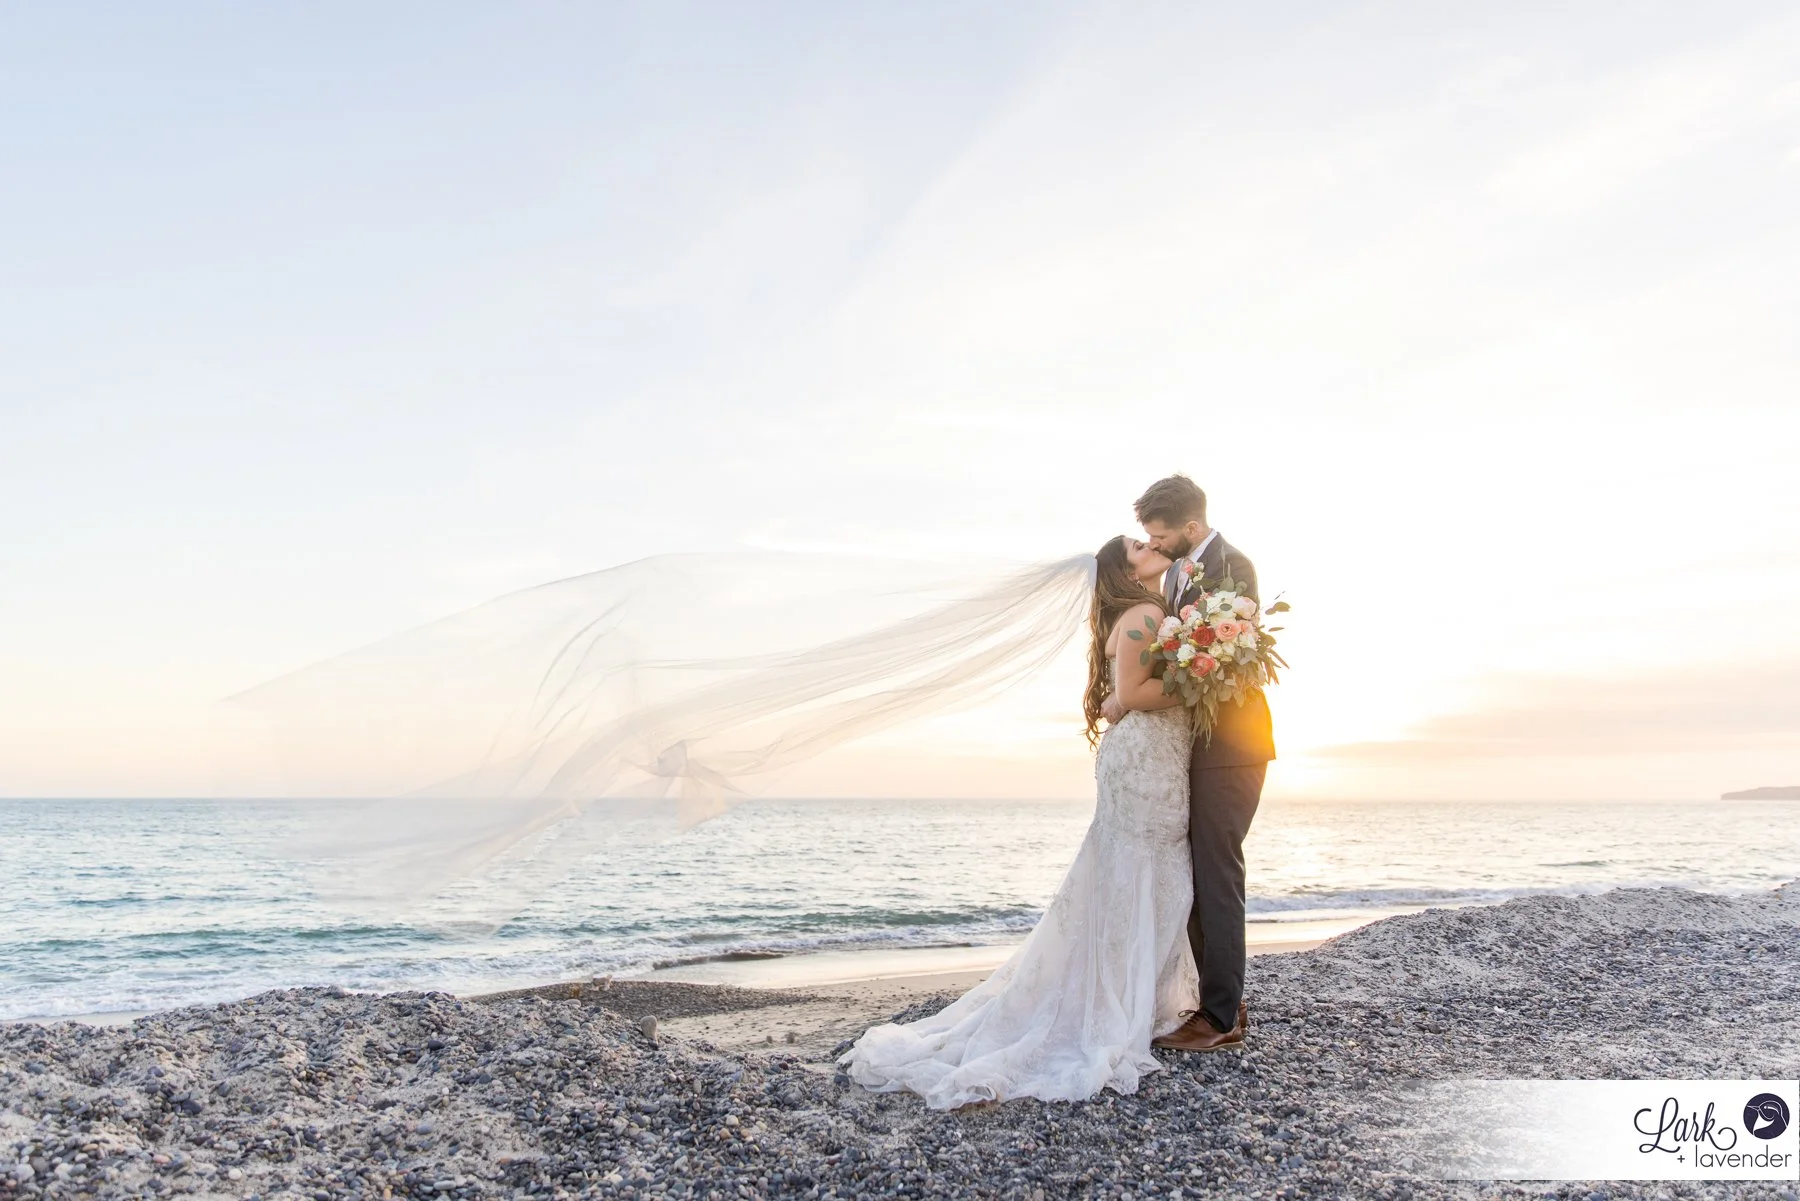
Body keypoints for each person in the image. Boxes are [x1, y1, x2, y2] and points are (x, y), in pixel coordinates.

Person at [838, 534, 1200, 1108]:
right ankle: (1112, 1007)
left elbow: (1124, 692)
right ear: (1123, 568)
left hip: (1147, 757)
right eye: (1137, 544)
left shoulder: (1146, 611)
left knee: (1135, 874)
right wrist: (1201, 679)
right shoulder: (1145, 611)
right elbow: (1133, 689)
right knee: (1144, 871)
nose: (1149, 544)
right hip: (1147, 762)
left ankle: (1130, 998)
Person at [1110, 473, 1275, 1053]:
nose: (1153, 545)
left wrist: (1130, 697)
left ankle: (1222, 1016)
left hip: (1231, 747)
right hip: (1193, 748)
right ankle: (1218, 998)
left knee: (1217, 874)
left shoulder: (1235, 569)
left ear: (1192, 527)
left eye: (1160, 535)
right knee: (1194, 874)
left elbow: (1222, 665)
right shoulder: (1179, 573)